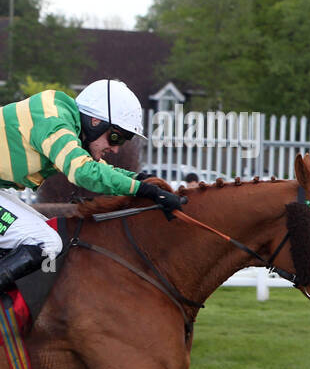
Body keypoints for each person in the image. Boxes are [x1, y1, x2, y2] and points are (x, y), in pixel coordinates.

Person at [0, 80, 185, 291]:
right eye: (115, 137)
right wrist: (142, 189)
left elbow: (99, 168)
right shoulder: (54, 121)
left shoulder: (65, 120)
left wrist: (140, 179)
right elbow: (83, 171)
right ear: (95, 121)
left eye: (123, 141)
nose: (115, 149)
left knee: (48, 234)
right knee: (46, 243)